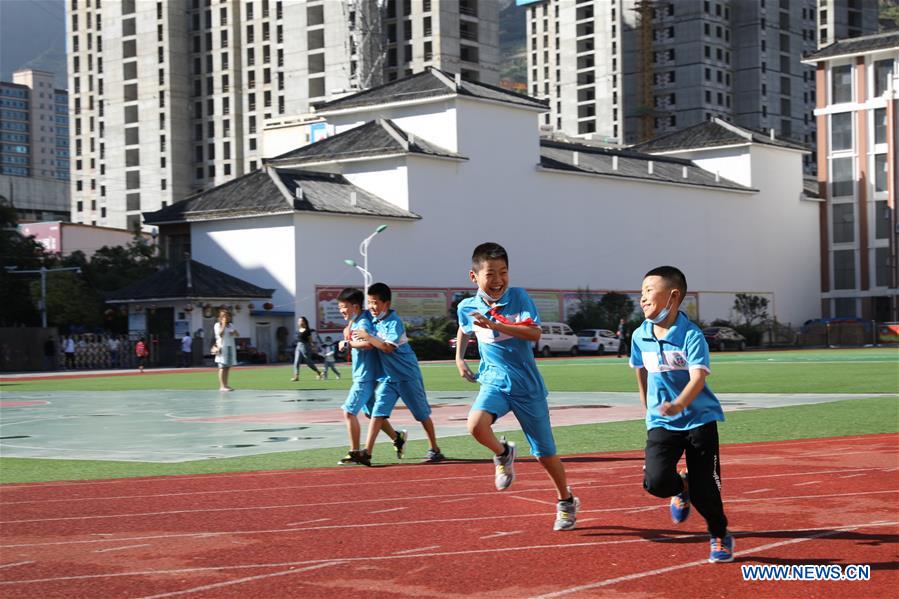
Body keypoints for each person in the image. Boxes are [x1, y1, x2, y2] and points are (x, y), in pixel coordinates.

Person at [455, 242, 579, 531]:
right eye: (490, 274)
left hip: (527, 387)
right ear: (474, 277)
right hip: (494, 382)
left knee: (544, 454)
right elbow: (464, 327)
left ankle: (566, 500)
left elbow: (534, 333)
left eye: (504, 272)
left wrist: (496, 325)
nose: (498, 280)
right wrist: (459, 358)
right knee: (475, 426)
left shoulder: (520, 298)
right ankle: (503, 453)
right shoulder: (467, 306)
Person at [630, 265, 733, 563]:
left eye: (649, 291)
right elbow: (640, 368)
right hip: (662, 421)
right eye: (641, 292)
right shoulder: (639, 335)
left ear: (673, 297)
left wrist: (679, 404)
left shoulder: (691, 335)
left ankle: (719, 534)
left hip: (699, 421)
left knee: (707, 493)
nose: (643, 298)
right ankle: (681, 486)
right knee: (657, 482)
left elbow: (698, 377)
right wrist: (644, 401)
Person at [353, 282, 444, 464]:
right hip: (389, 378)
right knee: (378, 413)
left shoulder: (394, 322)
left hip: (407, 376)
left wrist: (368, 337)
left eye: (375, 303)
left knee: (421, 414)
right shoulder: (374, 321)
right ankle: (367, 452)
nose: (372, 307)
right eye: (369, 302)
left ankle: (435, 449)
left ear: (386, 304)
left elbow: (387, 348)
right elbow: (362, 335)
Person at [336, 287, 406, 466]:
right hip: (367, 375)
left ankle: (354, 451)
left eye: (343, 307)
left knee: (349, 412)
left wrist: (347, 343)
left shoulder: (363, 323)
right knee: (372, 414)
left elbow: (367, 343)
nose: (341, 311)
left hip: (365, 377)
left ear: (355, 307)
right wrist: (348, 328)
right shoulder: (360, 319)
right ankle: (397, 437)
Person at [290, 317, 322, 381]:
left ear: (304, 322)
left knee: (308, 362)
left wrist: (313, 347)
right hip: (298, 346)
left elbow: (310, 340)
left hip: (305, 346)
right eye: (298, 321)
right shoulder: (298, 330)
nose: (299, 322)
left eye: (300, 321)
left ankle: (319, 372)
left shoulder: (307, 331)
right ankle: (296, 377)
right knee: (296, 361)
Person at [214, 308, 238, 391]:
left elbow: (237, 335)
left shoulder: (231, 325)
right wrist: (223, 325)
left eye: (228, 316)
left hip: (230, 347)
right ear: (220, 317)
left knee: (227, 367)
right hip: (222, 347)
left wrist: (234, 332)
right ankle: (222, 386)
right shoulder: (217, 325)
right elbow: (220, 334)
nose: (226, 317)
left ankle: (226, 385)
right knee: (222, 367)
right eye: (224, 316)